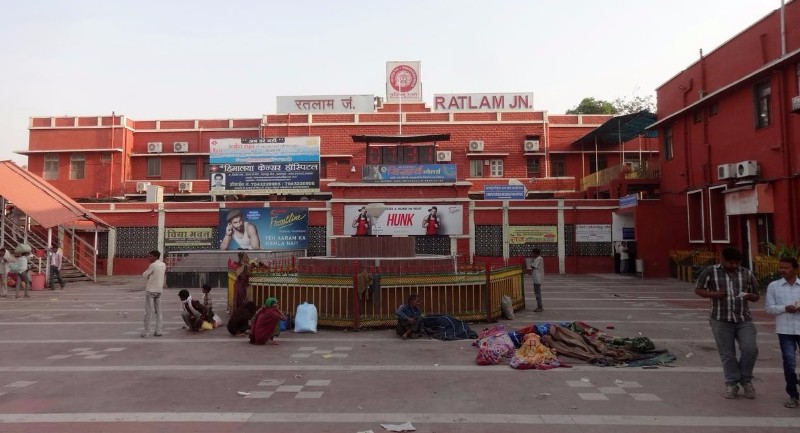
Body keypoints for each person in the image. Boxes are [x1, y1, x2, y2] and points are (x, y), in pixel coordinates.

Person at [695, 247, 760, 399]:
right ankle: (732, 383)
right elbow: (698, 290)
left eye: (736, 263)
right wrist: (714, 294)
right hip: (720, 319)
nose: (733, 266)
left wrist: (751, 296)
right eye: (730, 262)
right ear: (722, 259)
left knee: (750, 349)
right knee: (727, 354)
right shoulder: (710, 272)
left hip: (743, 318)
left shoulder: (746, 273)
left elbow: (757, 295)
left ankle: (746, 380)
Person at [764, 256, 800, 408]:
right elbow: (768, 308)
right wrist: (784, 308)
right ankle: (792, 394)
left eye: (786, 268)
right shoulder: (774, 286)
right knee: (789, 364)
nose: (782, 270)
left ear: (795, 269)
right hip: (785, 331)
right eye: (781, 267)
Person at [142, 250, 166, 338]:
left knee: (148, 311)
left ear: (155, 256)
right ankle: (158, 330)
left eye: (150, 256)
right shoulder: (163, 265)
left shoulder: (153, 265)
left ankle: (147, 331)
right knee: (159, 311)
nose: (149, 258)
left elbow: (145, 275)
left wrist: (149, 276)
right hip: (159, 290)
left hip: (151, 290)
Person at [530, 248, 544, 312]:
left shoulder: (538, 258)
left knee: (537, 293)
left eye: (533, 253)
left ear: (536, 253)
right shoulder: (539, 258)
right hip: (537, 278)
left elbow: (533, 266)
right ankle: (539, 306)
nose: (532, 254)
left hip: (537, 278)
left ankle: (540, 307)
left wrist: (532, 261)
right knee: (537, 292)